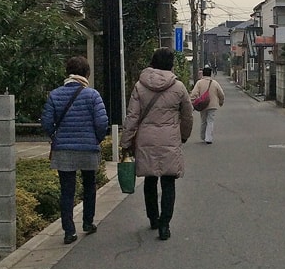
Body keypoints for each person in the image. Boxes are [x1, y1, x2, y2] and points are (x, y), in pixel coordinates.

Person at [120, 47, 193, 241]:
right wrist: (183, 136)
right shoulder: (178, 87)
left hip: (146, 139)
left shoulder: (139, 86)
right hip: (170, 138)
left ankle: (153, 218)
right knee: (168, 181)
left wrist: (125, 142)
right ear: (171, 64)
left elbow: (132, 116)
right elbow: (187, 115)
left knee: (150, 179)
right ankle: (165, 225)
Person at [41, 56, 108, 245]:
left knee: (67, 190)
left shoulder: (54, 95)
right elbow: (102, 123)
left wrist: (55, 137)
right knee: (89, 184)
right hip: (88, 148)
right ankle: (88, 222)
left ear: (67, 73)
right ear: (87, 73)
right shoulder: (93, 95)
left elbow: (46, 122)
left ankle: (69, 231)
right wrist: (96, 139)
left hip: (63, 149)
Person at [191, 65, 225, 144]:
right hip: (212, 105)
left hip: (202, 105)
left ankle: (203, 136)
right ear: (210, 74)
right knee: (210, 121)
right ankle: (208, 138)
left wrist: (193, 102)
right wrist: (221, 102)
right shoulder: (215, 83)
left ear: (203, 74)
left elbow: (193, 94)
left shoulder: (199, 83)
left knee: (203, 121)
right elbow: (221, 94)